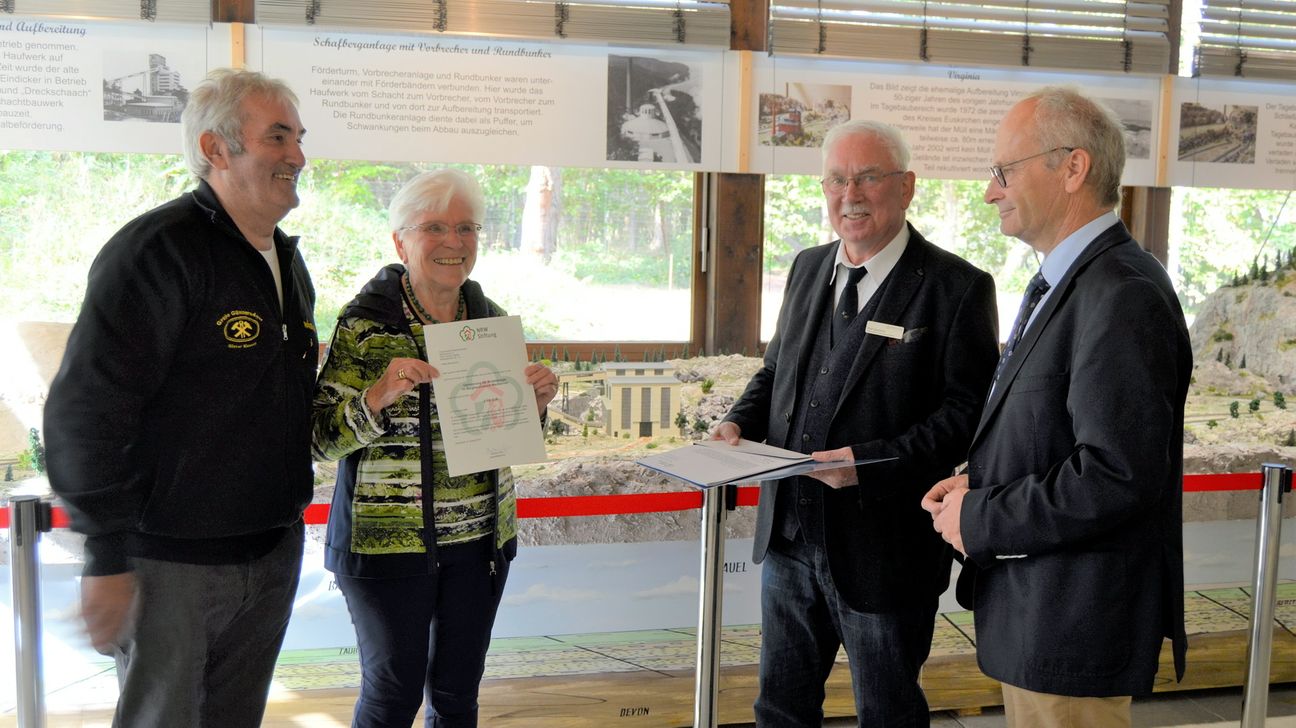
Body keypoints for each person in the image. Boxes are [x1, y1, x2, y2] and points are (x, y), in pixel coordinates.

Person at [43, 68, 315, 727]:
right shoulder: (155, 252)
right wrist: (105, 555)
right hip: (170, 564)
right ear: (217, 150)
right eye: (277, 137)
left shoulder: (285, 259)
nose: (299, 156)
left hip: (271, 551)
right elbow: (86, 410)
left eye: (299, 137)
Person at [713, 119, 999, 727]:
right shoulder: (806, 267)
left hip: (886, 550)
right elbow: (774, 372)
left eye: (869, 177)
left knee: (887, 713)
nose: (852, 194)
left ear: (907, 186)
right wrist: (737, 423)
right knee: (780, 710)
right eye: (838, 179)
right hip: (789, 540)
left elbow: (966, 417)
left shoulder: (957, 289)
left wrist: (866, 466)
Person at [921, 87, 1190, 728]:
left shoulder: (1121, 293)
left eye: (1004, 171)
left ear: (1073, 168)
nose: (991, 192)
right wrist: (980, 480)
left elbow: (1118, 473)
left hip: (1073, 620)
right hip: (1042, 612)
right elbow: (1060, 432)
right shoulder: (1070, 279)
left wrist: (981, 516)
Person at [312, 168, 558, 728]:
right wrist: (377, 396)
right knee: (392, 696)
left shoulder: (490, 319)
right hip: (386, 547)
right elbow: (321, 439)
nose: (454, 242)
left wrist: (535, 405)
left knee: (457, 696)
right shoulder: (366, 325)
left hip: (479, 545)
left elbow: (507, 436)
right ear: (400, 241)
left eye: (466, 227)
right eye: (434, 227)